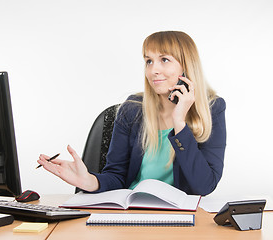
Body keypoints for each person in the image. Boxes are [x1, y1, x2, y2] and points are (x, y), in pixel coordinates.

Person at [37, 31, 226, 196]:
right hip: (132, 210)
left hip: (181, 217)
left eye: (164, 60)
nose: (153, 70)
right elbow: (116, 177)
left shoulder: (212, 109)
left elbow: (204, 186)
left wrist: (179, 123)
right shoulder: (132, 109)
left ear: (186, 66)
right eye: (149, 61)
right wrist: (87, 181)